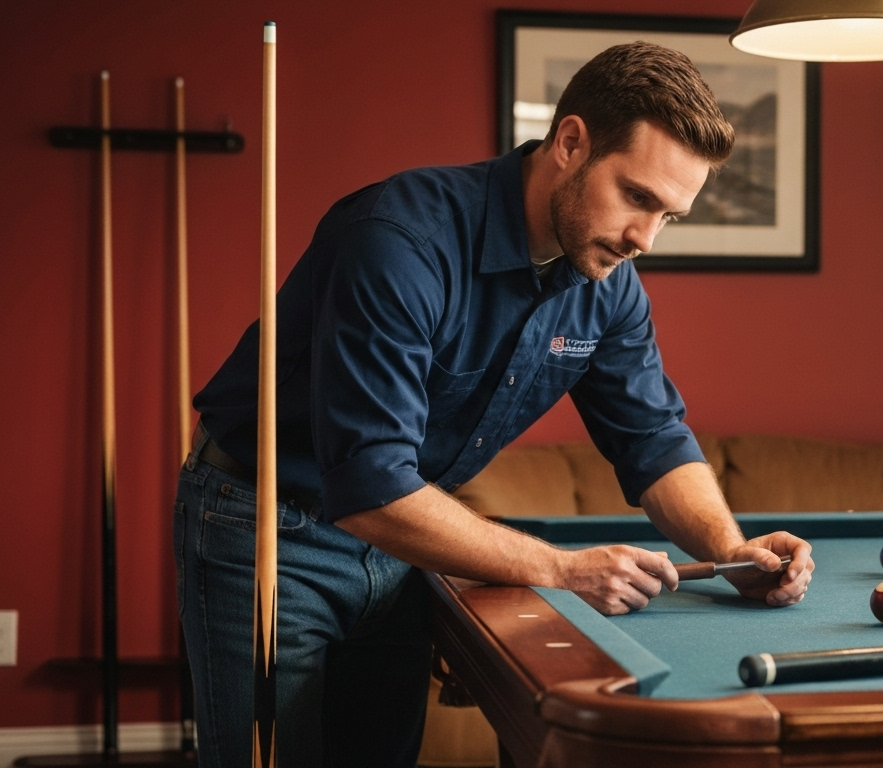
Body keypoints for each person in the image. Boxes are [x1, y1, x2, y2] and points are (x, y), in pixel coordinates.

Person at [173, 41, 815, 768]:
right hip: (267, 524)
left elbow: (655, 439)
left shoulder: (608, 284)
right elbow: (371, 486)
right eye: (637, 197)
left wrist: (730, 551)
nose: (645, 239)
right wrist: (563, 569)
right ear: (570, 143)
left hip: (409, 539)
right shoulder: (399, 241)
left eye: (669, 216)